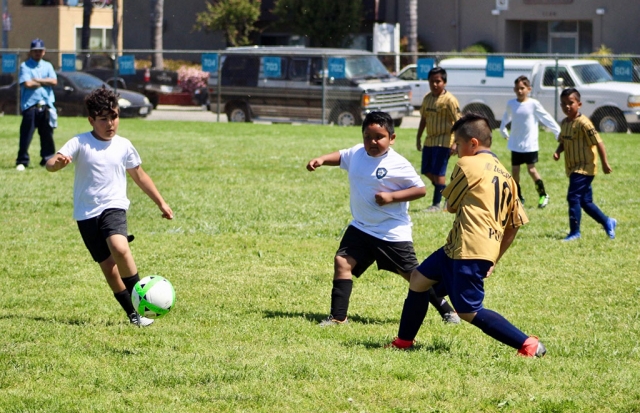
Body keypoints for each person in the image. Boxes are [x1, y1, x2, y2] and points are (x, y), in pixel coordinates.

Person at [388, 112, 546, 358]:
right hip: (462, 246)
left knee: (468, 310)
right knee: (418, 280)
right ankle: (404, 341)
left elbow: (450, 205)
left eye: (458, 144)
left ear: (473, 144)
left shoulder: (467, 164)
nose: (455, 149)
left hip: (467, 246)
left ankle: (528, 344)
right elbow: (514, 225)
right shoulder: (507, 176)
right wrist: (494, 258)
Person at [306, 111, 460, 327]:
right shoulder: (357, 153)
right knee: (342, 262)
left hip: (391, 231)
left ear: (392, 138)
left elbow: (421, 190)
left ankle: (447, 311)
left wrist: (391, 197)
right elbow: (341, 156)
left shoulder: (399, 163)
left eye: (379, 137)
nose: (372, 142)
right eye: (368, 137)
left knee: (415, 277)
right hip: (361, 227)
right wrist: (322, 159)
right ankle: (338, 317)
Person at [45, 86, 174, 326]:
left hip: (113, 206)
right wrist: (57, 164)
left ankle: (142, 299)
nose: (110, 123)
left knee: (120, 247)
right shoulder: (80, 142)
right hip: (86, 214)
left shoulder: (123, 145)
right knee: (109, 268)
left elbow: (140, 176)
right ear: (91, 120)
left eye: (114, 116)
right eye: (103, 119)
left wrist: (161, 202)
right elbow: (51, 162)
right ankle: (132, 313)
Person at [553, 88, 616, 242]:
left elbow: (599, 143)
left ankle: (575, 232)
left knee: (573, 197)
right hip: (572, 167)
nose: (567, 106)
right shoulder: (565, 123)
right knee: (585, 202)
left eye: (571, 103)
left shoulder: (584, 123)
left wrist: (605, 163)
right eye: (563, 104)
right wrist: (558, 151)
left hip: (585, 167)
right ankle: (608, 221)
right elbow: (564, 141)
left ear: (579, 104)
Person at [499, 75, 561, 208]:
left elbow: (546, 117)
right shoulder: (511, 104)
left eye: (522, 88)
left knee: (531, 170)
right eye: (517, 89)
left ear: (529, 89)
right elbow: (506, 117)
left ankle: (543, 195)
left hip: (529, 144)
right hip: (515, 144)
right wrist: (503, 130)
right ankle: (518, 197)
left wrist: (557, 131)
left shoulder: (533, 104)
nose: (519, 91)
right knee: (515, 171)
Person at [415, 67, 461, 212]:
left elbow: (459, 122)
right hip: (429, 141)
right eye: (431, 81)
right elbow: (423, 119)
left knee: (438, 173)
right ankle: (448, 191)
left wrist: (456, 143)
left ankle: (436, 204)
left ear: (444, 82)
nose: (434, 84)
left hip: (444, 141)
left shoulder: (450, 100)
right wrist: (418, 137)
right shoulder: (427, 98)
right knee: (426, 170)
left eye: (438, 81)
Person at [16, 38, 58, 171]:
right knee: (26, 134)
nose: (37, 53)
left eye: (40, 51)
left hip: (46, 104)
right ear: (30, 52)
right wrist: (45, 81)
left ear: (44, 52)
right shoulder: (25, 66)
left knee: (47, 134)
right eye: (35, 51)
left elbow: (54, 81)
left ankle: (47, 158)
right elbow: (28, 84)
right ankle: (22, 160)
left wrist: (38, 80)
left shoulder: (48, 66)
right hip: (30, 105)